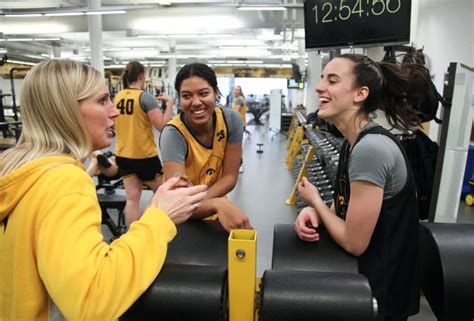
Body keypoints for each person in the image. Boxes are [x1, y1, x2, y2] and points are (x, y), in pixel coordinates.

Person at [0, 59, 207, 320]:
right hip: (143, 159)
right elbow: (92, 299)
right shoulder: (64, 181)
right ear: (65, 111)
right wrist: (159, 218)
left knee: (132, 198)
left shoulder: (17, 171)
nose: (114, 111)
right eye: (101, 101)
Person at [294, 54, 429, 321]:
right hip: (364, 284)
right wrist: (319, 214)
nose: (320, 87)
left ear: (360, 94)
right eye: (322, 79)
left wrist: (316, 202)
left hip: (381, 293)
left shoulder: (371, 149)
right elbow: (346, 204)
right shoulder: (351, 143)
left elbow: (354, 243)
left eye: (332, 80)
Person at [159, 63, 252, 232]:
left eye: (203, 93)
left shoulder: (231, 120)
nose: (196, 102)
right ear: (180, 99)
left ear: (216, 93)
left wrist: (210, 204)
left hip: (216, 212)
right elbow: (178, 202)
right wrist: (217, 203)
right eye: (187, 96)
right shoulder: (173, 134)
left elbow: (230, 177)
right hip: (181, 219)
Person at [114, 61, 174, 224]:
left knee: (132, 199)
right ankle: (147, 226)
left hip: (123, 155)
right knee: (164, 192)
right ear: (142, 76)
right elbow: (162, 126)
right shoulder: (145, 98)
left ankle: (134, 236)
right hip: (144, 157)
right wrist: (169, 104)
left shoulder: (117, 97)